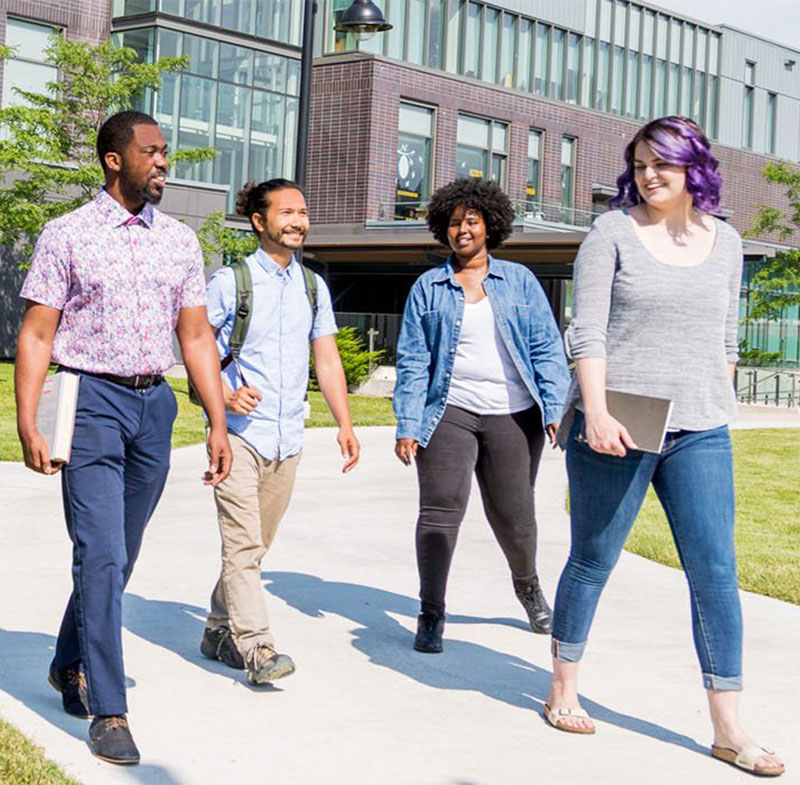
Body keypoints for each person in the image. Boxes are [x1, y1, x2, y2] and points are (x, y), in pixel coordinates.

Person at [544, 116, 785, 777]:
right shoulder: (612, 233)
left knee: (716, 575)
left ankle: (728, 727)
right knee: (593, 559)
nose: (650, 174)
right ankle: (564, 684)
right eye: (642, 163)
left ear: (693, 169)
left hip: (700, 427)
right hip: (618, 419)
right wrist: (593, 411)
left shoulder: (729, 241)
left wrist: (718, 394)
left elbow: (726, 338)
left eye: (664, 164)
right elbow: (586, 332)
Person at [15, 110, 231, 765]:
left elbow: (195, 336)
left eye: (165, 152)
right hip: (89, 403)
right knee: (102, 554)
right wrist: (28, 419)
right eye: (151, 151)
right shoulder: (67, 234)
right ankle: (108, 708)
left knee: (119, 553)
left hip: (154, 407)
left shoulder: (180, 241)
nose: (163, 162)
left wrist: (217, 420)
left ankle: (66, 658)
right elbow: (36, 333)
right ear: (114, 159)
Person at [393, 178, 570, 654]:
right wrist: (408, 424)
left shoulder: (519, 281)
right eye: (453, 223)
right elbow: (414, 360)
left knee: (515, 518)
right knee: (439, 513)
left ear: (490, 225)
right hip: (448, 410)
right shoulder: (428, 288)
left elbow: (546, 348)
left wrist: (555, 408)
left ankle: (527, 584)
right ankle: (431, 612)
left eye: (471, 221)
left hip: (513, 414)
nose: (462, 230)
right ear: (442, 229)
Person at [200, 178, 360, 685]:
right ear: (258, 221)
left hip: (288, 437)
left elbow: (327, 357)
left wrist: (345, 423)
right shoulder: (232, 282)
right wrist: (224, 395)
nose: (298, 221)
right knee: (244, 546)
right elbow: (195, 345)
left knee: (256, 546)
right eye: (286, 212)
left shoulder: (314, 285)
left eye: (303, 212)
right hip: (240, 435)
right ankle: (258, 648)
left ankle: (218, 628)